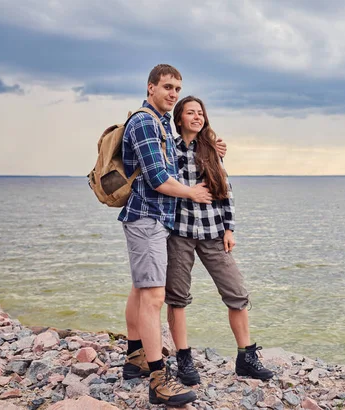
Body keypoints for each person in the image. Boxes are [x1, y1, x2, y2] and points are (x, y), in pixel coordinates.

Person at [119, 65, 217, 406]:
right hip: (147, 218)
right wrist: (192, 193)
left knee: (140, 289)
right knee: (153, 297)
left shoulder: (159, 121)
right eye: (168, 87)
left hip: (153, 219)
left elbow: (173, 155)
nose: (174, 93)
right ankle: (159, 381)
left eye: (178, 88)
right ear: (150, 87)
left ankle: (136, 359)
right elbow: (158, 177)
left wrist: (210, 143)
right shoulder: (145, 121)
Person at [165, 95, 274, 386]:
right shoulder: (168, 149)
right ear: (179, 119)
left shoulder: (212, 150)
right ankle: (184, 359)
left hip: (214, 232)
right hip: (179, 232)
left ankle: (246, 357)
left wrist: (229, 229)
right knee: (177, 298)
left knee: (237, 292)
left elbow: (225, 190)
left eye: (200, 113)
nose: (197, 117)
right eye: (190, 113)